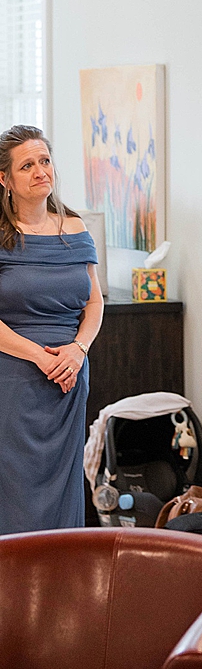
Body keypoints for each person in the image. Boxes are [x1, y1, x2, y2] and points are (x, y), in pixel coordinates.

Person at [0, 125, 101, 535]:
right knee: (15, 492)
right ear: (5, 179)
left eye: (45, 160)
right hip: (13, 379)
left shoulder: (75, 228)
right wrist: (40, 357)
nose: (41, 171)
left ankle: (61, 574)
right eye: (27, 165)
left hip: (69, 378)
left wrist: (79, 349)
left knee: (63, 488)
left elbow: (94, 303)